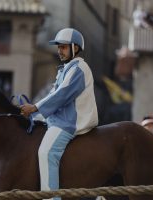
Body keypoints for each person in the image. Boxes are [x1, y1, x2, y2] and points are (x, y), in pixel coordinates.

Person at [20, 28, 98, 199]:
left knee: (46, 152)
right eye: (58, 47)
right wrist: (34, 115)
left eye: (63, 47)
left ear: (75, 48)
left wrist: (34, 108)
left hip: (70, 122)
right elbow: (52, 96)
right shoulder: (66, 68)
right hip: (59, 118)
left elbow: (60, 96)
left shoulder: (79, 68)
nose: (59, 51)